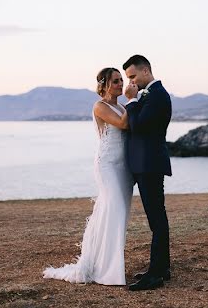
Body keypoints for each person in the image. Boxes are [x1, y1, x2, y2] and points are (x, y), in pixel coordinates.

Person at [43, 67, 134, 285]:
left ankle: (108, 265)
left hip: (124, 168)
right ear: (104, 85)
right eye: (115, 81)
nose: (121, 84)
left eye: (121, 80)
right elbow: (123, 124)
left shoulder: (120, 105)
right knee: (115, 209)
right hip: (108, 165)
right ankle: (107, 271)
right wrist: (133, 100)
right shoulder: (100, 106)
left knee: (117, 216)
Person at [123, 54, 172, 291]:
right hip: (147, 164)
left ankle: (155, 274)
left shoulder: (158, 96)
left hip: (150, 165)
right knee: (157, 219)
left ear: (145, 71)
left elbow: (138, 126)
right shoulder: (150, 95)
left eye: (132, 76)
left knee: (157, 220)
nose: (130, 82)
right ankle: (162, 268)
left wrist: (131, 101)